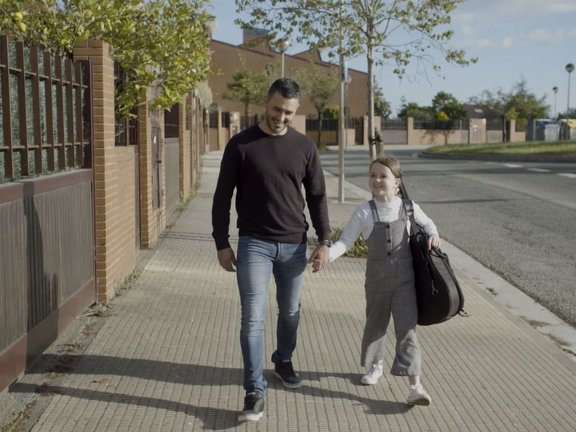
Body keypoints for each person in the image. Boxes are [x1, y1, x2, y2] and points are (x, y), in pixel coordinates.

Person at [211, 78, 331, 423]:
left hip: (295, 244)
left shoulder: (305, 147)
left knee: (290, 312)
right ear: (267, 102)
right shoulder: (241, 145)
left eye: (289, 112)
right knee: (252, 317)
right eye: (277, 109)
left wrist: (324, 241)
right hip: (254, 245)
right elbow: (222, 196)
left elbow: (318, 197)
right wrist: (221, 242)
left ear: (296, 111)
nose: (281, 116)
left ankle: (283, 359)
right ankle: (254, 390)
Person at [318, 157, 440, 406]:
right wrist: (326, 256)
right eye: (372, 175)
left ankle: (415, 386)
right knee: (375, 325)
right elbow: (345, 242)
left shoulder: (409, 207)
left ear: (397, 182)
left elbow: (429, 225)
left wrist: (434, 236)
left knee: (406, 330)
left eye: (382, 176)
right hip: (375, 281)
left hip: (405, 281)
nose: (376, 180)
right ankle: (376, 365)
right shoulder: (364, 211)